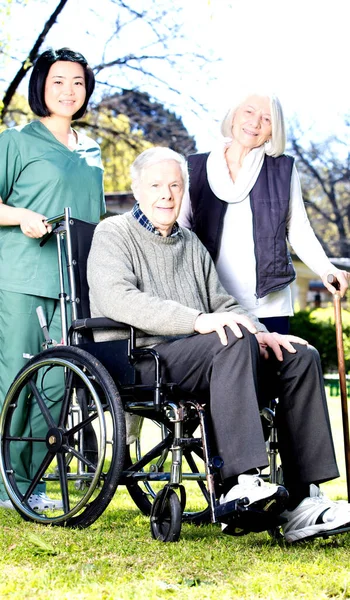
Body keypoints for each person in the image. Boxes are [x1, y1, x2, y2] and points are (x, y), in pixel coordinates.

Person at [87, 146, 350, 543]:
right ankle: (239, 484)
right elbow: (116, 298)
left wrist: (262, 332)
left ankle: (303, 502)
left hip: (201, 354)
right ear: (136, 188)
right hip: (139, 356)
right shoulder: (114, 232)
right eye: (156, 185)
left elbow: (223, 303)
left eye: (175, 185)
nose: (167, 194)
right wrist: (197, 320)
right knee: (231, 338)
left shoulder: (189, 243)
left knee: (298, 355)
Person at [0, 47, 106, 511]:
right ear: (41, 84)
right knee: (13, 381)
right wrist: (21, 214)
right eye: (59, 80)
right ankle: (4, 482)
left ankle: (35, 484)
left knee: (58, 387)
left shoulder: (92, 150)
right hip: (22, 278)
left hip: (75, 284)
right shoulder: (16, 141)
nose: (69, 90)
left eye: (78, 82)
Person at [178, 93, 350, 335]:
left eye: (267, 119)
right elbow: (179, 231)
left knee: (271, 372)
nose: (255, 122)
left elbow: (299, 230)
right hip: (210, 303)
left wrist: (326, 269)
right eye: (249, 112)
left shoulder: (283, 170)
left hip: (268, 303)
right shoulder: (194, 167)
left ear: (273, 131)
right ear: (234, 116)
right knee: (222, 372)